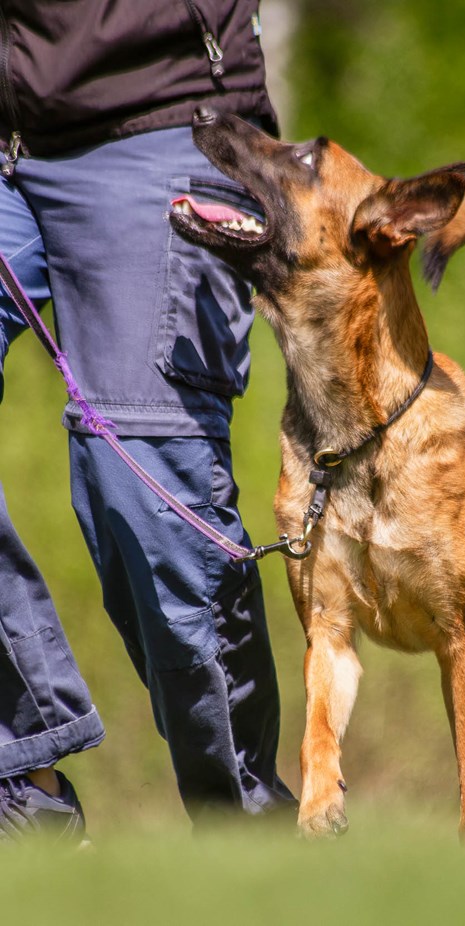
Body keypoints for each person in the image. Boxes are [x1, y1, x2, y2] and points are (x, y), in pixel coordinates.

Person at [0, 0, 295, 842]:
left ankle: (246, 829)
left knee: (146, 484)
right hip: (7, 132)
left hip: (158, 109)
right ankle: (22, 789)